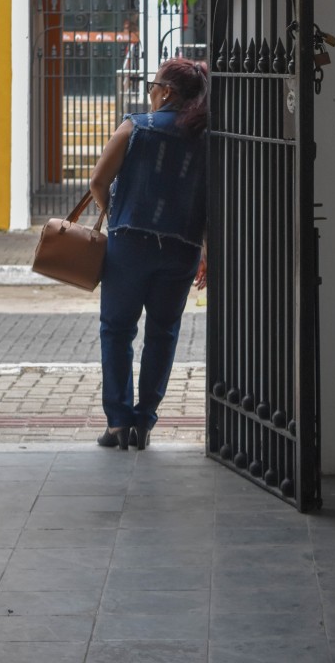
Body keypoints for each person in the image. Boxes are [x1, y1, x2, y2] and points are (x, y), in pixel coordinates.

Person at [90, 57, 207, 451]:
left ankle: (119, 423)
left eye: (153, 85)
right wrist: (206, 247)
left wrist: (116, 212)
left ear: (167, 91)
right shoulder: (207, 136)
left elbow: (97, 181)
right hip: (183, 248)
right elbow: (212, 201)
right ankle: (145, 422)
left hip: (129, 245)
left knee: (117, 330)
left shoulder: (136, 127)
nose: (151, 92)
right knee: (163, 332)